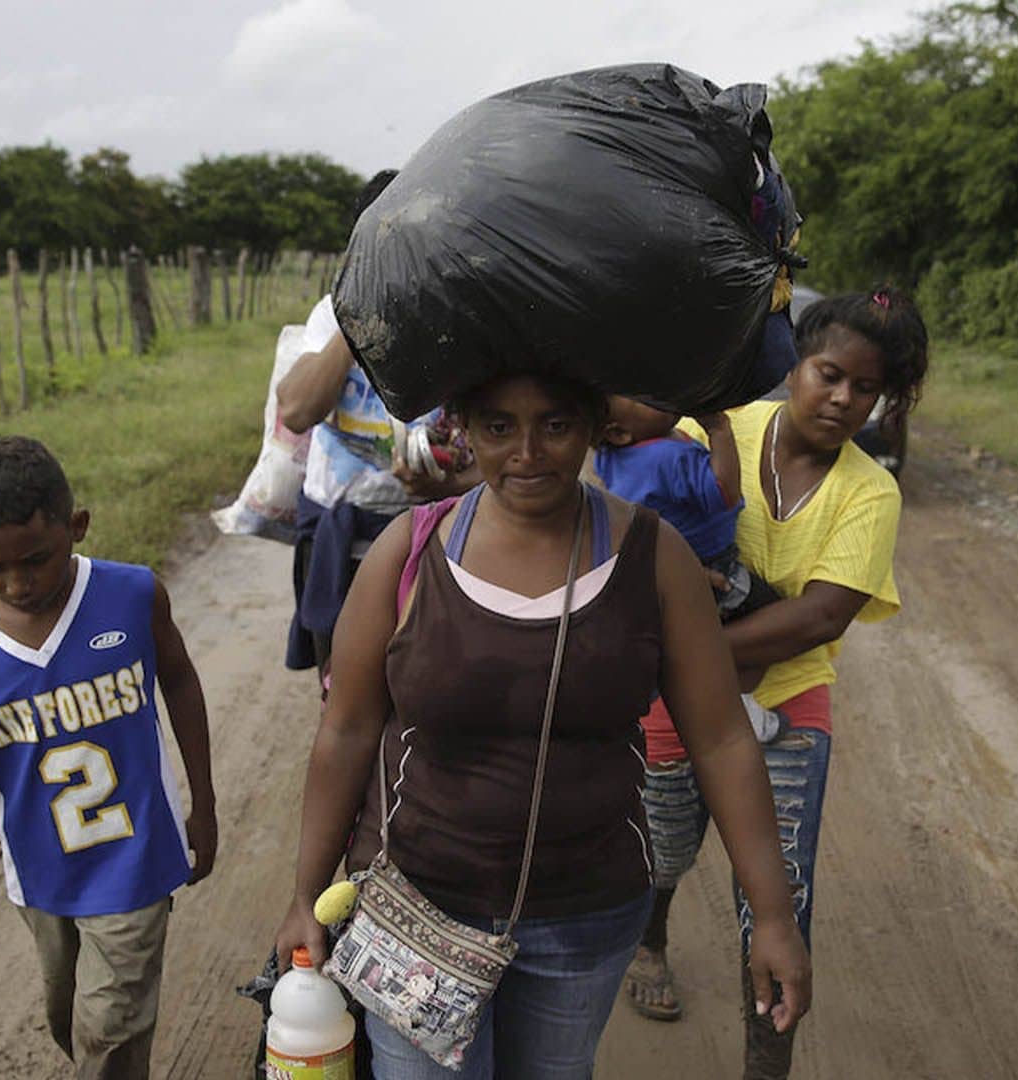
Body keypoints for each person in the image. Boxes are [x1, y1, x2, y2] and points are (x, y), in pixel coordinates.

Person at [274, 372, 812, 1079]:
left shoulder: (656, 559)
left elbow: (721, 739)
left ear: (595, 423)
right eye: (499, 427)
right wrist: (304, 897)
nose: (527, 452)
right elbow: (344, 732)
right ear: (464, 426)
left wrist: (771, 916)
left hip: (587, 919)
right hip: (417, 915)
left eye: (554, 426)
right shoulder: (408, 554)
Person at [624, 289, 929, 1080]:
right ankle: (649, 938)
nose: (843, 399)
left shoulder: (871, 491)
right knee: (660, 849)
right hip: (674, 697)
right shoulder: (710, 429)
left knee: (781, 903)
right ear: (795, 362)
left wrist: (685, 649)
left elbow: (819, 619)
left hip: (786, 703)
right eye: (830, 374)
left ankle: (766, 1066)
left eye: (868, 389)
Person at [0, 436, 218, 1080]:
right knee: (72, 1021)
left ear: (75, 527)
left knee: (110, 1033)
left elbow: (182, 682)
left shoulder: (133, 596)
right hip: (40, 870)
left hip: (136, 856)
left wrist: (204, 805)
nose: (16, 583)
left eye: (35, 560)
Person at [276, 168, 474, 684]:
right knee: (343, 688)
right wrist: (355, 315)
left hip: (434, 529)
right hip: (340, 530)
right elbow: (297, 411)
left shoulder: (458, 317)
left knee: (425, 688)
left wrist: (447, 484)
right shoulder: (330, 316)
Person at [595, 397, 787, 740]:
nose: (656, 394)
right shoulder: (666, 457)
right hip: (709, 566)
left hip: (658, 568)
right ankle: (738, 704)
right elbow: (724, 492)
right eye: (642, 399)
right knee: (772, 613)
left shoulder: (614, 456)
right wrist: (719, 430)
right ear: (620, 432)